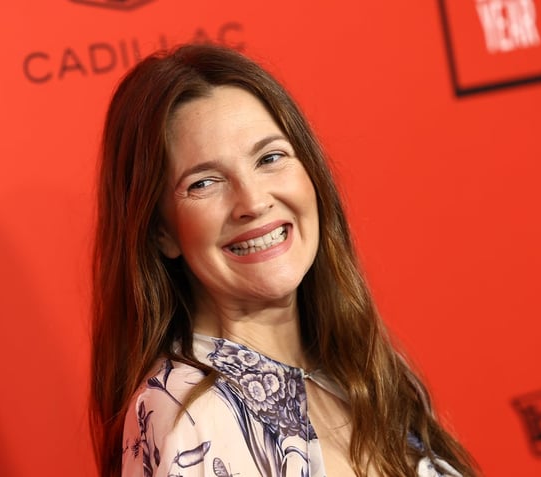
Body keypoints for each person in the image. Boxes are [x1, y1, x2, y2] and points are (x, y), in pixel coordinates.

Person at [90, 43, 478, 477]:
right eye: (204, 183)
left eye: (270, 158)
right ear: (160, 232)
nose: (253, 202)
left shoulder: (363, 368)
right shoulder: (189, 413)